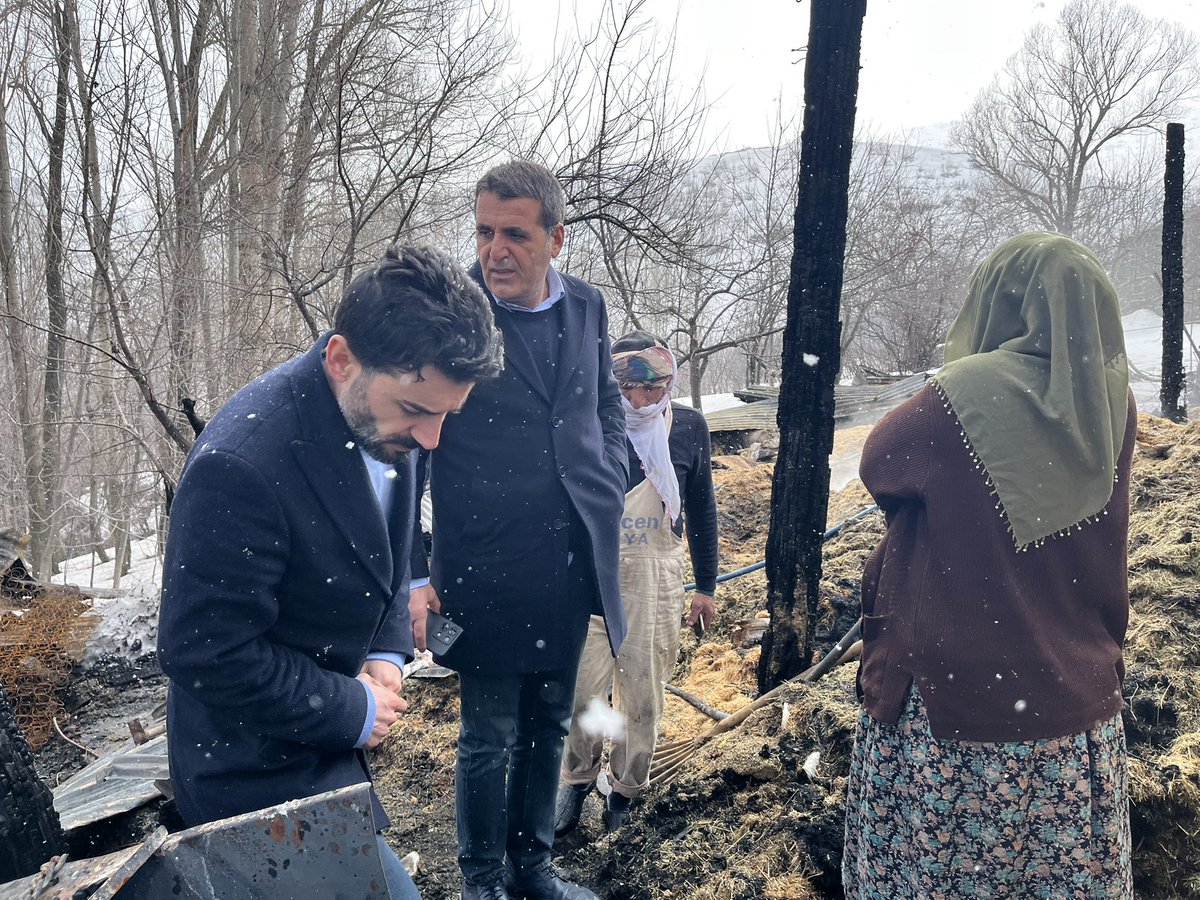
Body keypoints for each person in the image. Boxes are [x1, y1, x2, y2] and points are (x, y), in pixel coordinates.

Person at [158, 245, 503, 900]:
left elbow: (387, 554)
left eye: (445, 414)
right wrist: (350, 707)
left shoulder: (391, 413)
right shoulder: (241, 466)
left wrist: (384, 651)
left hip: (330, 755)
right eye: (418, 413)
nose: (432, 440)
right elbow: (202, 653)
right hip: (250, 775)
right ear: (342, 359)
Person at [842, 232, 1136, 897]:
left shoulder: (960, 396)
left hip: (959, 705)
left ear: (1000, 302)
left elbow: (880, 465)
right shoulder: (1109, 400)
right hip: (1072, 694)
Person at [407, 160, 628, 900]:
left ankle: (532, 869)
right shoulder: (452, 316)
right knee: (487, 733)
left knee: (549, 721)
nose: (494, 250)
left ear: (556, 238)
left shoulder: (589, 308)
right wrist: (416, 569)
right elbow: (408, 442)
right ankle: (481, 882)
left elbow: (605, 404)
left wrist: (610, 472)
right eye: (483, 231)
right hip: (484, 564)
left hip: (570, 559)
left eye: (514, 234)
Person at [554, 331, 718, 835]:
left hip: (654, 579)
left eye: (650, 389)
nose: (638, 400)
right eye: (626, 389)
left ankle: (624, 788)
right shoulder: (587, 425)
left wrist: (706, 585)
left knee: (642, 695)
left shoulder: (687, 427)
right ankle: (577, 780)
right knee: (584, 691)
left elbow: (703, 508)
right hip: (589, 581)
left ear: (667, 383)